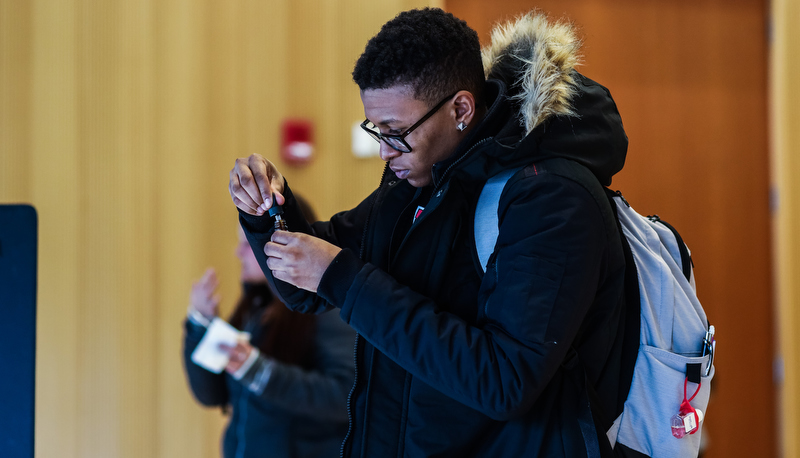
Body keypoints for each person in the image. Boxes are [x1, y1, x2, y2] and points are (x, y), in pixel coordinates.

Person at [229, 8, 629, 457]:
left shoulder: (550, 197)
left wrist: (342, 277)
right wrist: (267, 212)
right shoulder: (417, 183)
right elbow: (308, 288)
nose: (383, 151)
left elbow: (505, 383)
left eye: (396, 132)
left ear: (461, 108)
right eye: (375, 130)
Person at [181, 195, 355, 458]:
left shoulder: (325, 308)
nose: (237, 252)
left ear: (281, 246)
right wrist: (199, 326)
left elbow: (344, 397)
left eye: (247, 244)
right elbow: (211, 394)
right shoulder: (257, 305)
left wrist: (259, 371)